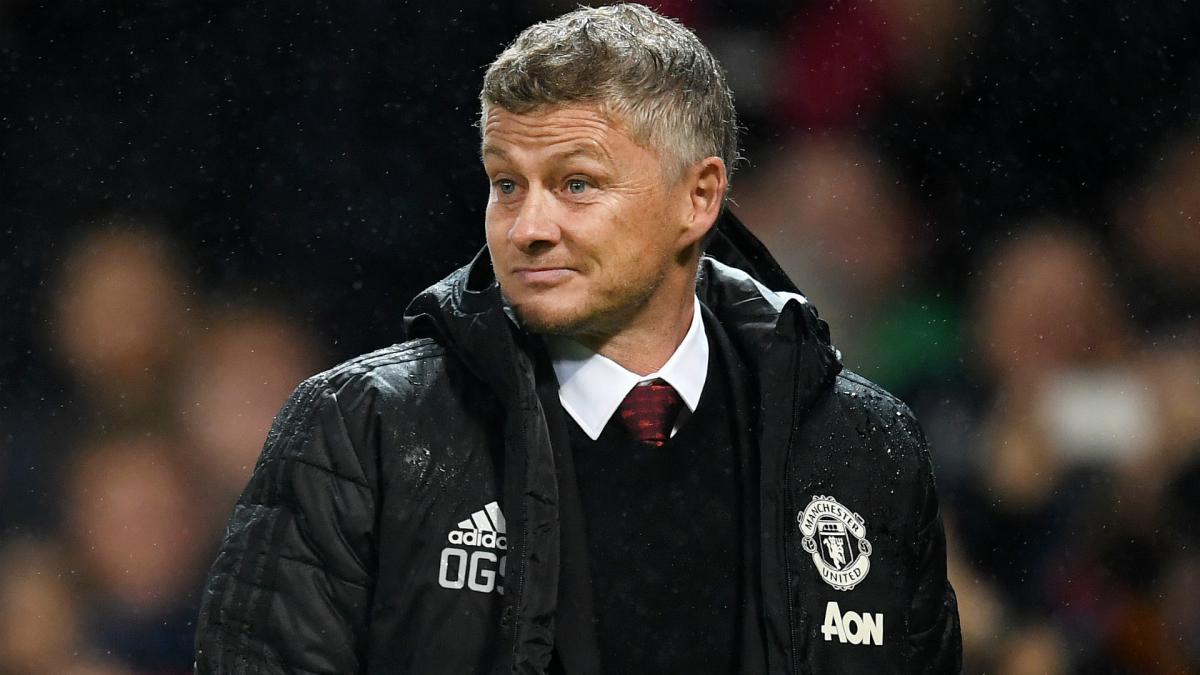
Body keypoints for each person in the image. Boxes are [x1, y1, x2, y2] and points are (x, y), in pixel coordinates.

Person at [194, 4, 961, 673]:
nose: (528, 227)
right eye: (507, 184)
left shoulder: (864, 446)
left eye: (576, 184)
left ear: (698, 198)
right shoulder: (363, 432)